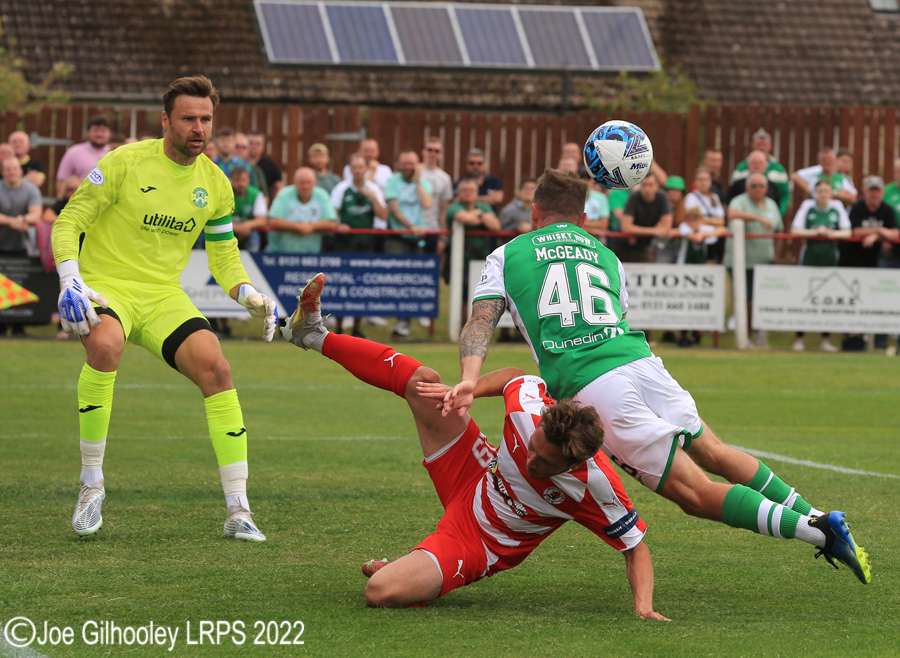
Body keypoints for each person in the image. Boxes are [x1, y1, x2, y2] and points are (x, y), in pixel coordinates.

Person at [444, 169, 871, 586]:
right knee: (716, 452)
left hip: (593, 386)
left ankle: (819, 532)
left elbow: (482, 319)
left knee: (697, 495)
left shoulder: (509, 253)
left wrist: (468, 377)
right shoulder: (605, 255)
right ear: (583, 218)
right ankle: (815, 513)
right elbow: (617, 315)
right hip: (642, 362)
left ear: (535, 212)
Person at [280, 273, 669, 618]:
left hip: (478, 539)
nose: (530, 458)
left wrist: (644, 609)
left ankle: (412, 573)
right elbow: (516, 376)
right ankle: (313, 334)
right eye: (532, 447)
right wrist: (465, 391)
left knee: (381, 592)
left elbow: (636, 548)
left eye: (543, 462)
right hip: (476, 473)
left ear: (571, 465)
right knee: (425, 382)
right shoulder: (530, 411)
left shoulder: (596, 485)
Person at [51, 75, 277, 541]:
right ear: (165, 121)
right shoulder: (124, 161)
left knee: (217, 366)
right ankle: (91, 484)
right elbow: (70, 219)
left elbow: (223, 254)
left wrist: (249, 295)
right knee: (106, 346)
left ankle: (238, 509)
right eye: (189, 118)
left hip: (163, 297)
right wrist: (70, 278)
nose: (199, 127)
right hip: (107, 288)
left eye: (206, 119)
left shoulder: (215, 183)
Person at [330, 153, 388, 337]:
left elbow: (383, 215)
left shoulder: (373, 189)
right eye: (354, 167)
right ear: (349, 169)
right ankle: (339, 326)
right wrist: (339, 225)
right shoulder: (341, 189)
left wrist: (373, 198)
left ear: (366, 169)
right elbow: (332, 214)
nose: (357, 171)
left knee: (361, 285)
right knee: (342, 284)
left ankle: (356, 326)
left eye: (360, 167)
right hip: (344, 243)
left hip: (365, 243)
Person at [789, 179, 851, 353]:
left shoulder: (837, 206)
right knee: (804, 298)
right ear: (815, 193)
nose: (823, 194)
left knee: (827, 299)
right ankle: (799, 338)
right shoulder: (807, 206)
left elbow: (848, 231)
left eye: (826, 191)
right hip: (809, 259)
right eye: (820, 191)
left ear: (830, 193)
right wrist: (814, 232)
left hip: (830, 258)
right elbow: (795, 229)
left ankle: (825, 339)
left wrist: (832, 233)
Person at [727, 172, 783, 347]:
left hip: (765, 261)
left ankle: (760, 334)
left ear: (766, 188)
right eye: (754, 185)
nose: (758, 189)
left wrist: (777, 255)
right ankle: (747, 335)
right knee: (748, 300)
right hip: (743, 262)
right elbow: (732, 214)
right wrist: (758, 218)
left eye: (761, 185)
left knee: (763, 301)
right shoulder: (739, 201)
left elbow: (779, 230)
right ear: (747, 187)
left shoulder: (772, 204)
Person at [267, 167, 337, 254]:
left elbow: (332, 222)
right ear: (295, 182)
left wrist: (311, 227)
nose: (305, 186)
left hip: (311, 257)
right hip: (281, 255)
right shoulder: (284, 194)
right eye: (302, 183)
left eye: (308, 183)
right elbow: (273, 220)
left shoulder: (322, 195)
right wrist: (296, 227)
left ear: (315, 183)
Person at [730, 128, 790, 217]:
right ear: (752, 145)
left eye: (764, 144)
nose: (761, 147)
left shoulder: (779, 169)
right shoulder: (741, 168)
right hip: (743, 214)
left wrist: (778, 215)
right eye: (758, 144)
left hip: (769, 214)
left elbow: (785, 195)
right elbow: (733, 193)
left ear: (770, 146)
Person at [618, 172, 673, 263]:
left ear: (657, 186)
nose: (647, 188)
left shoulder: (663, 197)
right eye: (644, 185)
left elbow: (666, 228)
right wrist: (654, 231)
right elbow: (626, 227)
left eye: (650, 185)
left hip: (645, 247)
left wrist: (636, 231)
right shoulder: (634, 196)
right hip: (622, 244)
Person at [55, 115, 112, 197]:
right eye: (95, 130)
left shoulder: (115, 152)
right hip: (81, 202)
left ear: (109, 133)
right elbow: (61, 181)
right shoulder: (74, 152)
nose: (99, 134)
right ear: (87, 132)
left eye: (103, 131)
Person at [419, 137, 454, 258]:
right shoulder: (415, 171)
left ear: (441, 155)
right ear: (423, 151)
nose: (433, 153)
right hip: (412, 228)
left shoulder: (444, 178)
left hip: (432, 229)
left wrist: (443, 238)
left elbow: (443, 209)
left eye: (437, 151)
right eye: (430, 149)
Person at [685, 166, 726, 263]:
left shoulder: (715, 198)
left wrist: (704, 219)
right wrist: (714, 222)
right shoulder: (691, 197)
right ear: (695, 181)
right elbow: (693, 220)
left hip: (713, 241)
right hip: (698, 241)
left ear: (710, 181)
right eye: (700, 179)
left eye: (706, 179)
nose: (703, 182)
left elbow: (722, 221)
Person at [792, 147, 858, 206]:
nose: (827, 162)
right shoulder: (815, 173)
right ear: (819, 161)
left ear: (835, 160)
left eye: (830, 159)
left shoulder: (842, 178)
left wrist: (833, 193)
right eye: (824, 159)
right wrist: (811, 191)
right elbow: (794, 176)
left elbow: (853, 198)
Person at [230, 165, 268, 252]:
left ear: (249, 180)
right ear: (231, 181)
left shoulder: (256, 194)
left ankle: (253, 260)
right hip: (228, 229)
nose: (240, 184)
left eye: (243, 180)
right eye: (237, 180)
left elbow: (262, 220)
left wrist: (244, 227)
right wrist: (235, 227)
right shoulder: (225, 194)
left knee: (255, 236)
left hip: (248, 231)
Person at [247, 131, 283, 199]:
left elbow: (278, 186)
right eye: (251, 143)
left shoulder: (270, 166)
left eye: (257, 144)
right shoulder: (240, 163)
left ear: (263, 146)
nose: (254, 146)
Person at [234, 132, 269, 200]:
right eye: (237, 146)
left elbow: (265, 196)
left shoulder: (255, 170)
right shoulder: (221, 165)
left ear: (248, 149)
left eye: (243, 147)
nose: (240, 150)